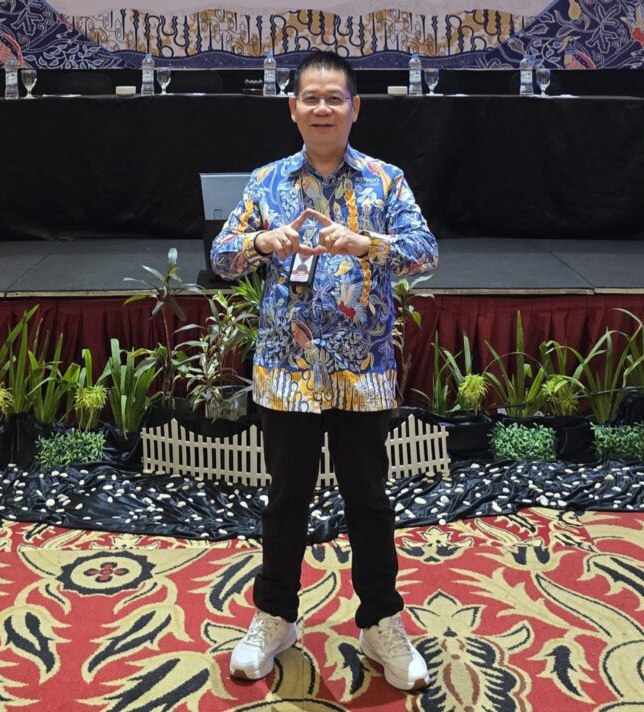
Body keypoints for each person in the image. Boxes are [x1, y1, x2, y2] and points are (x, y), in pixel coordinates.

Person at [210, 50, 438, 692]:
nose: (322, 108)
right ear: (292, 108)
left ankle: (381, 622)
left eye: (334, 98)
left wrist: (369, 244)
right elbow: (222, 255)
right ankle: (275, 617)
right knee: (286, 498)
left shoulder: (386, 181)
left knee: (369, 499)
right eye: (310, 97)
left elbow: (427, 253)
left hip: (362, 372)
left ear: (354, 108)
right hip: (288, 372)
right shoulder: (266, 182)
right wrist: (259, 242)